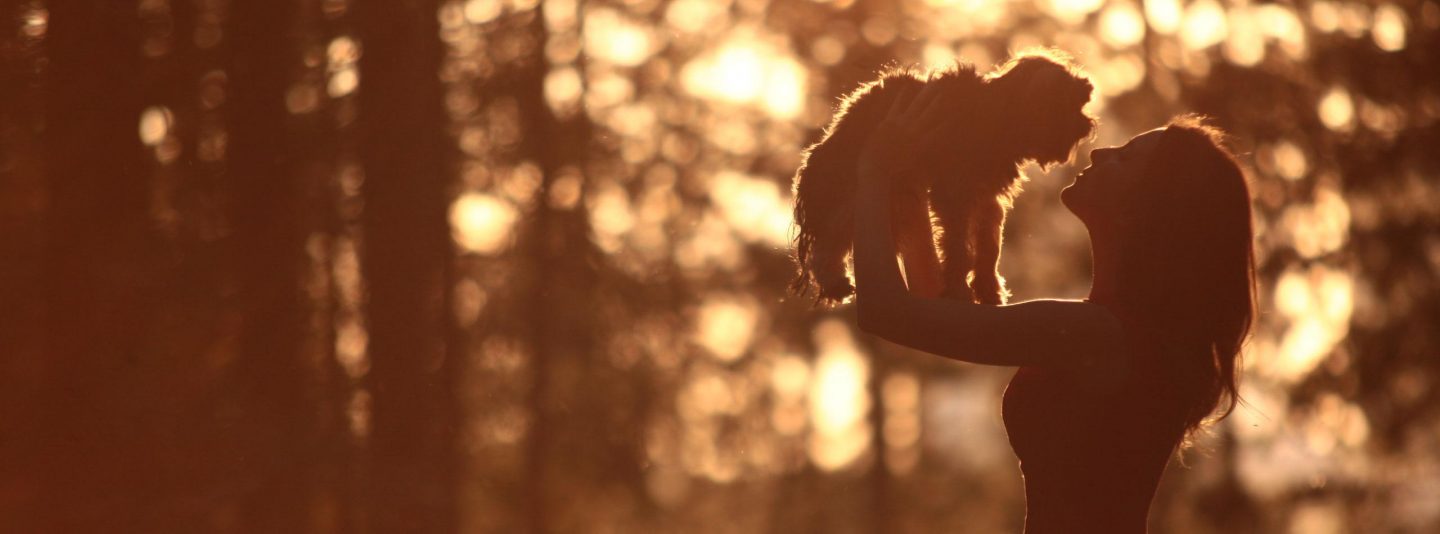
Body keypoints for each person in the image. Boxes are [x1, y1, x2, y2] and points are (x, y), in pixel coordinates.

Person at [849, 81, 1256, 533]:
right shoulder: (1113, 331)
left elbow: (885, 311)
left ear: (1147, 208)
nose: (1100, 152)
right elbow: (928, 306)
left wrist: (875, 171)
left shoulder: (1091, 333)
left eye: (1124, 159)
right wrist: (905, 191)